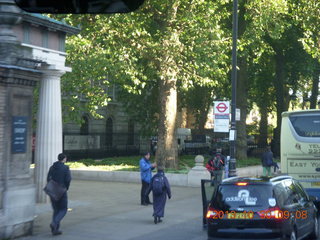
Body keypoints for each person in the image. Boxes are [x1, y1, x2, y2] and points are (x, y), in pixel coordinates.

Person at [47, 153, 71, 235]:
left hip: (52, 189)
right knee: (63, 209)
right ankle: (54, 223)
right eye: (65, 158)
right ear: (64, 159)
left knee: (56, 210)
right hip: (61, 190)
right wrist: (66, 188)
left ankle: (55, 230)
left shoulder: (52, 167)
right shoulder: (65, 168)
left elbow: (48, 178)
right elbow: (68, 179)